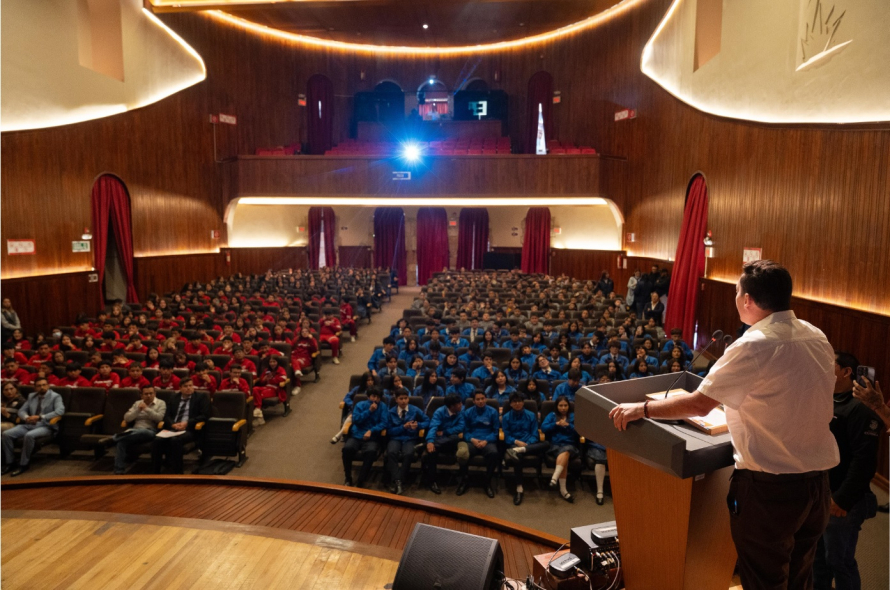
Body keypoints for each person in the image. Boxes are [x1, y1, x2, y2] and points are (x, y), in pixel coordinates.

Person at [609, 260, 840, 590]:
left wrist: (642, 408)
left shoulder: (753, 344)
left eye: (736, 292)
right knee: (800, 576)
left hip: (770, 489)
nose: (735, 298)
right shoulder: (816, 336)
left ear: (747, 300)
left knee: (765, 580)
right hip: (817, 485)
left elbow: (700, 404)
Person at [812, 352, 881, 590]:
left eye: (831, 363)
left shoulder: (860, 409)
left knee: (839, 561)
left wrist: (841, 499)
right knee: (817, 560)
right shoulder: (825, 399)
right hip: (820, 492)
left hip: (842, 500)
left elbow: (864, 461)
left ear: (846, 371)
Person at [1, 376, 65, 475]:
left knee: (29, 435)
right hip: (30, 424)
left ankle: (23, 464)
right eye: (39, 386)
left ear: (48, 386)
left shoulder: (55, 396)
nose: (42, 387)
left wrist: (40, 417)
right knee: (6, 434)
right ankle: (10, 462)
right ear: (35, 388)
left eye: (44, 385)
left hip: (46, 425)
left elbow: (60, 411)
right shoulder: (32, 396)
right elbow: (22, 410)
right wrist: (26, 417)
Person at [151, 378, 211, 474]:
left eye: (190, 385)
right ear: (180, 388)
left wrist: (187, 423)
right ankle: (155, 472)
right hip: (173, 428)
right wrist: (172, 424)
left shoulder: (201, 397)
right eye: (185, 386)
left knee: (175, 440)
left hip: (190, 429)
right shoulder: (174, 397)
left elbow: (205, 415)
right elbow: (167, 415)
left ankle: (177, 472)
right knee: (157, 440)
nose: (189, 388)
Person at [503, 393, 549, 505]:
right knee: (517, 456)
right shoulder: (506, 417)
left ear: (523, 402)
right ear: (511, 404)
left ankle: (519, 451)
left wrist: (527, 444)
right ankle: (519, 488)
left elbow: (535, 434)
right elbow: (507, 436)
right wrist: (517, 442)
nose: (517, 404)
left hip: (528, 444)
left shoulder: (531, 415)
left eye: (519, 401)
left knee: (547, 443)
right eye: (514, 402)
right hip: (514, 444)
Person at [113, 385, 166, 474]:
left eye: (151, 393)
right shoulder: (137, 403)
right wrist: (138, 409)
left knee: (142, 431)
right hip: (135, 431)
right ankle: (119, 470)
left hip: (150, 431)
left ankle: (115, 437)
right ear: (141, 395)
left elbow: (159, 418)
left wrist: (146, 409)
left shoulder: (161, 403)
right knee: (121, 442)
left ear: (155, 394)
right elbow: (127, 418)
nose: (148, 396)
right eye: (146, 394)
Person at [385, 391, 430, 495]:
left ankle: (397, 481)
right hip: (395, 438)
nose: (404, 401)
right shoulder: (391, 412)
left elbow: (427, 421)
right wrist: (403, 427)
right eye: (401, 398)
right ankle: (399, 481)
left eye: (406, 398)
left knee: (409, 454)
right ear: (396, 399)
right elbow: (389, 431)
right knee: (391, 452)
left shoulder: (414, 410)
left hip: (410, 438)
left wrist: (418, 425)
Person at [456, 391, 500, 498]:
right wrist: (472, 439)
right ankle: (464, 480)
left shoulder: (493, 412)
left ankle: (487, 482)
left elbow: (496, 431)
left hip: (487, 440)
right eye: (478, 399)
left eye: (482, 398)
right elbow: (465, 431)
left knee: (494, 453)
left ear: (485, 399)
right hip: (473, 440)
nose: (480, 401)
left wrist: (486, 440)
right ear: (474, 401)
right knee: (463, 453)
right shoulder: (468, 412)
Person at [342, 388, 387, 488]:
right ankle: (348, 477)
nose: (375, 399)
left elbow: (384, 423)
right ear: (368, 397)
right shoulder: (360, 405)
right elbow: (356, 420)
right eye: (373, 396)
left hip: (372, 437)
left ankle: (361, 480)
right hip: (357, 435)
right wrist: (369, 411)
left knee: (371, 452)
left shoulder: (383, 407)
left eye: (378, 397)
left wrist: (372, 430)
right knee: (347, 449)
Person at [422, 394, 464, 494]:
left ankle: (424, 445)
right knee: (432, 451)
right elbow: (433, 426)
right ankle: (432, 481)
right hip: (440, 440)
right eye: (459, 404)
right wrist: (431, 441)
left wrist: (445, 432)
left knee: (455, 437)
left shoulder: (460, 412)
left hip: (450, 441)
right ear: (452, 406)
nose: (461, 405)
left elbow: (461, 427)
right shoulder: (440, 412)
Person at [541, 395, 579, 503]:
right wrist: (556, 424)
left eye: (565, 405)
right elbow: (543, 428)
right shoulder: (552, 416)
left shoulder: (573, 416)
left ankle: (554, 478)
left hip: (570, 444)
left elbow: (579, 431)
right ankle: (563, 490)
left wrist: (568, 425)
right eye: (560, 405)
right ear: (556, 406)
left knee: (566, 451)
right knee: (564, 458)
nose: (563, 408)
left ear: (569, 406)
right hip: (554, 445)